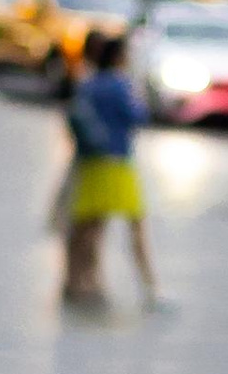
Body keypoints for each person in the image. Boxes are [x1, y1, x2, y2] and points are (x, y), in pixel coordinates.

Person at [62, 29, 157, 306]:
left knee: (87, 226)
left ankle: (76, 280)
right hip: (117, 163)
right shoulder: (119, 86)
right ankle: (149, 285)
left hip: (91, 162)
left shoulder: (88, 84)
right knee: (135, 224)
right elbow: (137, 116)